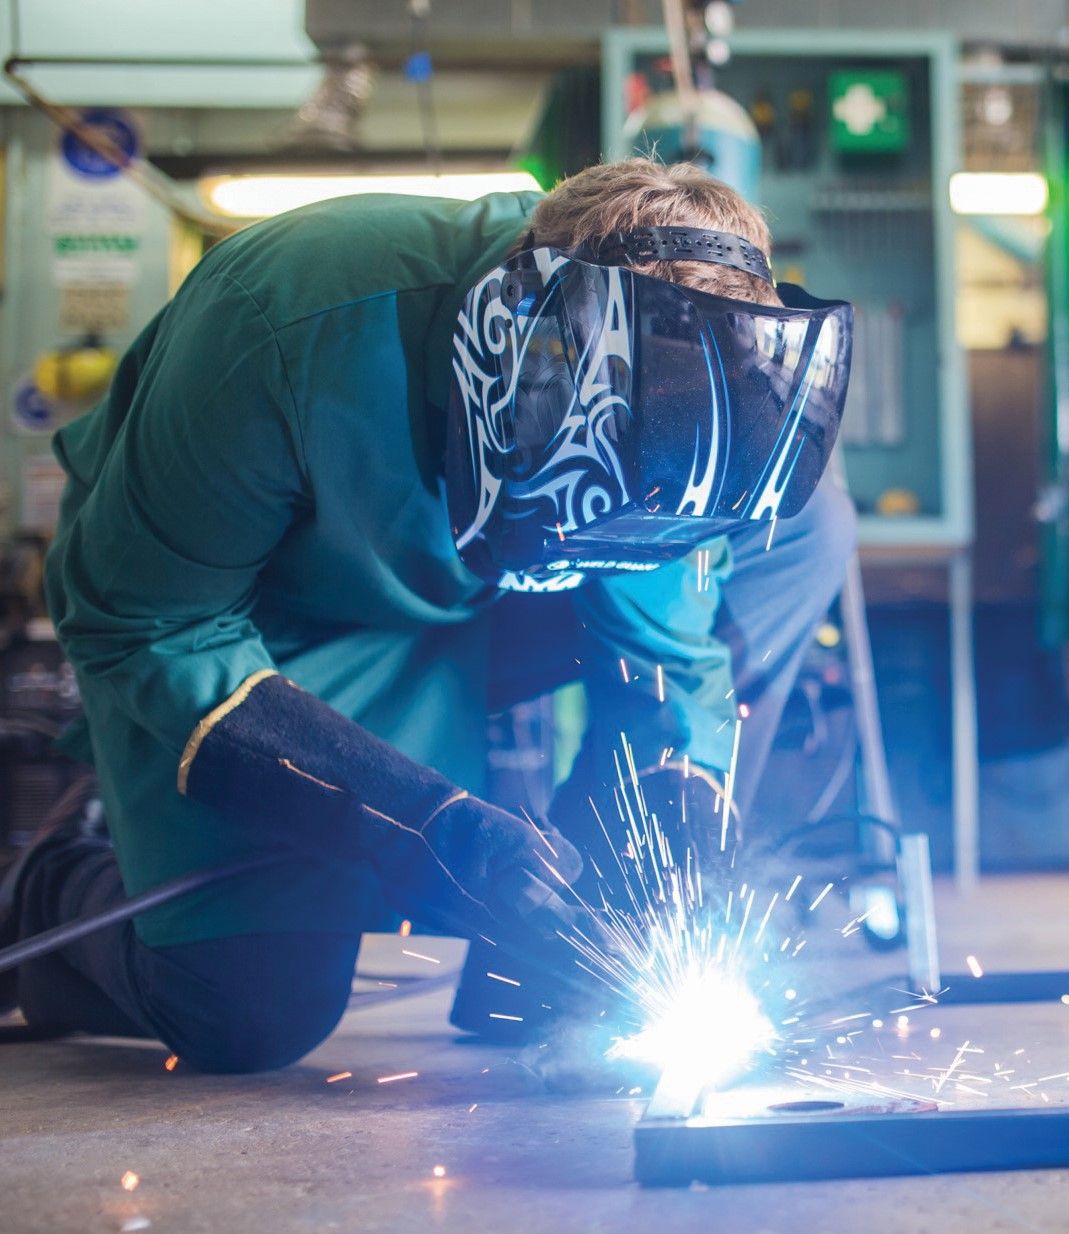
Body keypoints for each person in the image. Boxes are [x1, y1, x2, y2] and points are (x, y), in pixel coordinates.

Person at [0, 159, 855, 1072]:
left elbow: (669, 666)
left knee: (811, 531)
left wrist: (678, 836)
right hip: (269, 629)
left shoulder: (673, 418)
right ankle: (47, 892)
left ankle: (554, 955)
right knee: (250, 1009)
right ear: (517, 351)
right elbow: (148, 621)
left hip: (498, 596)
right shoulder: (282, 321)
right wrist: (421, 819)